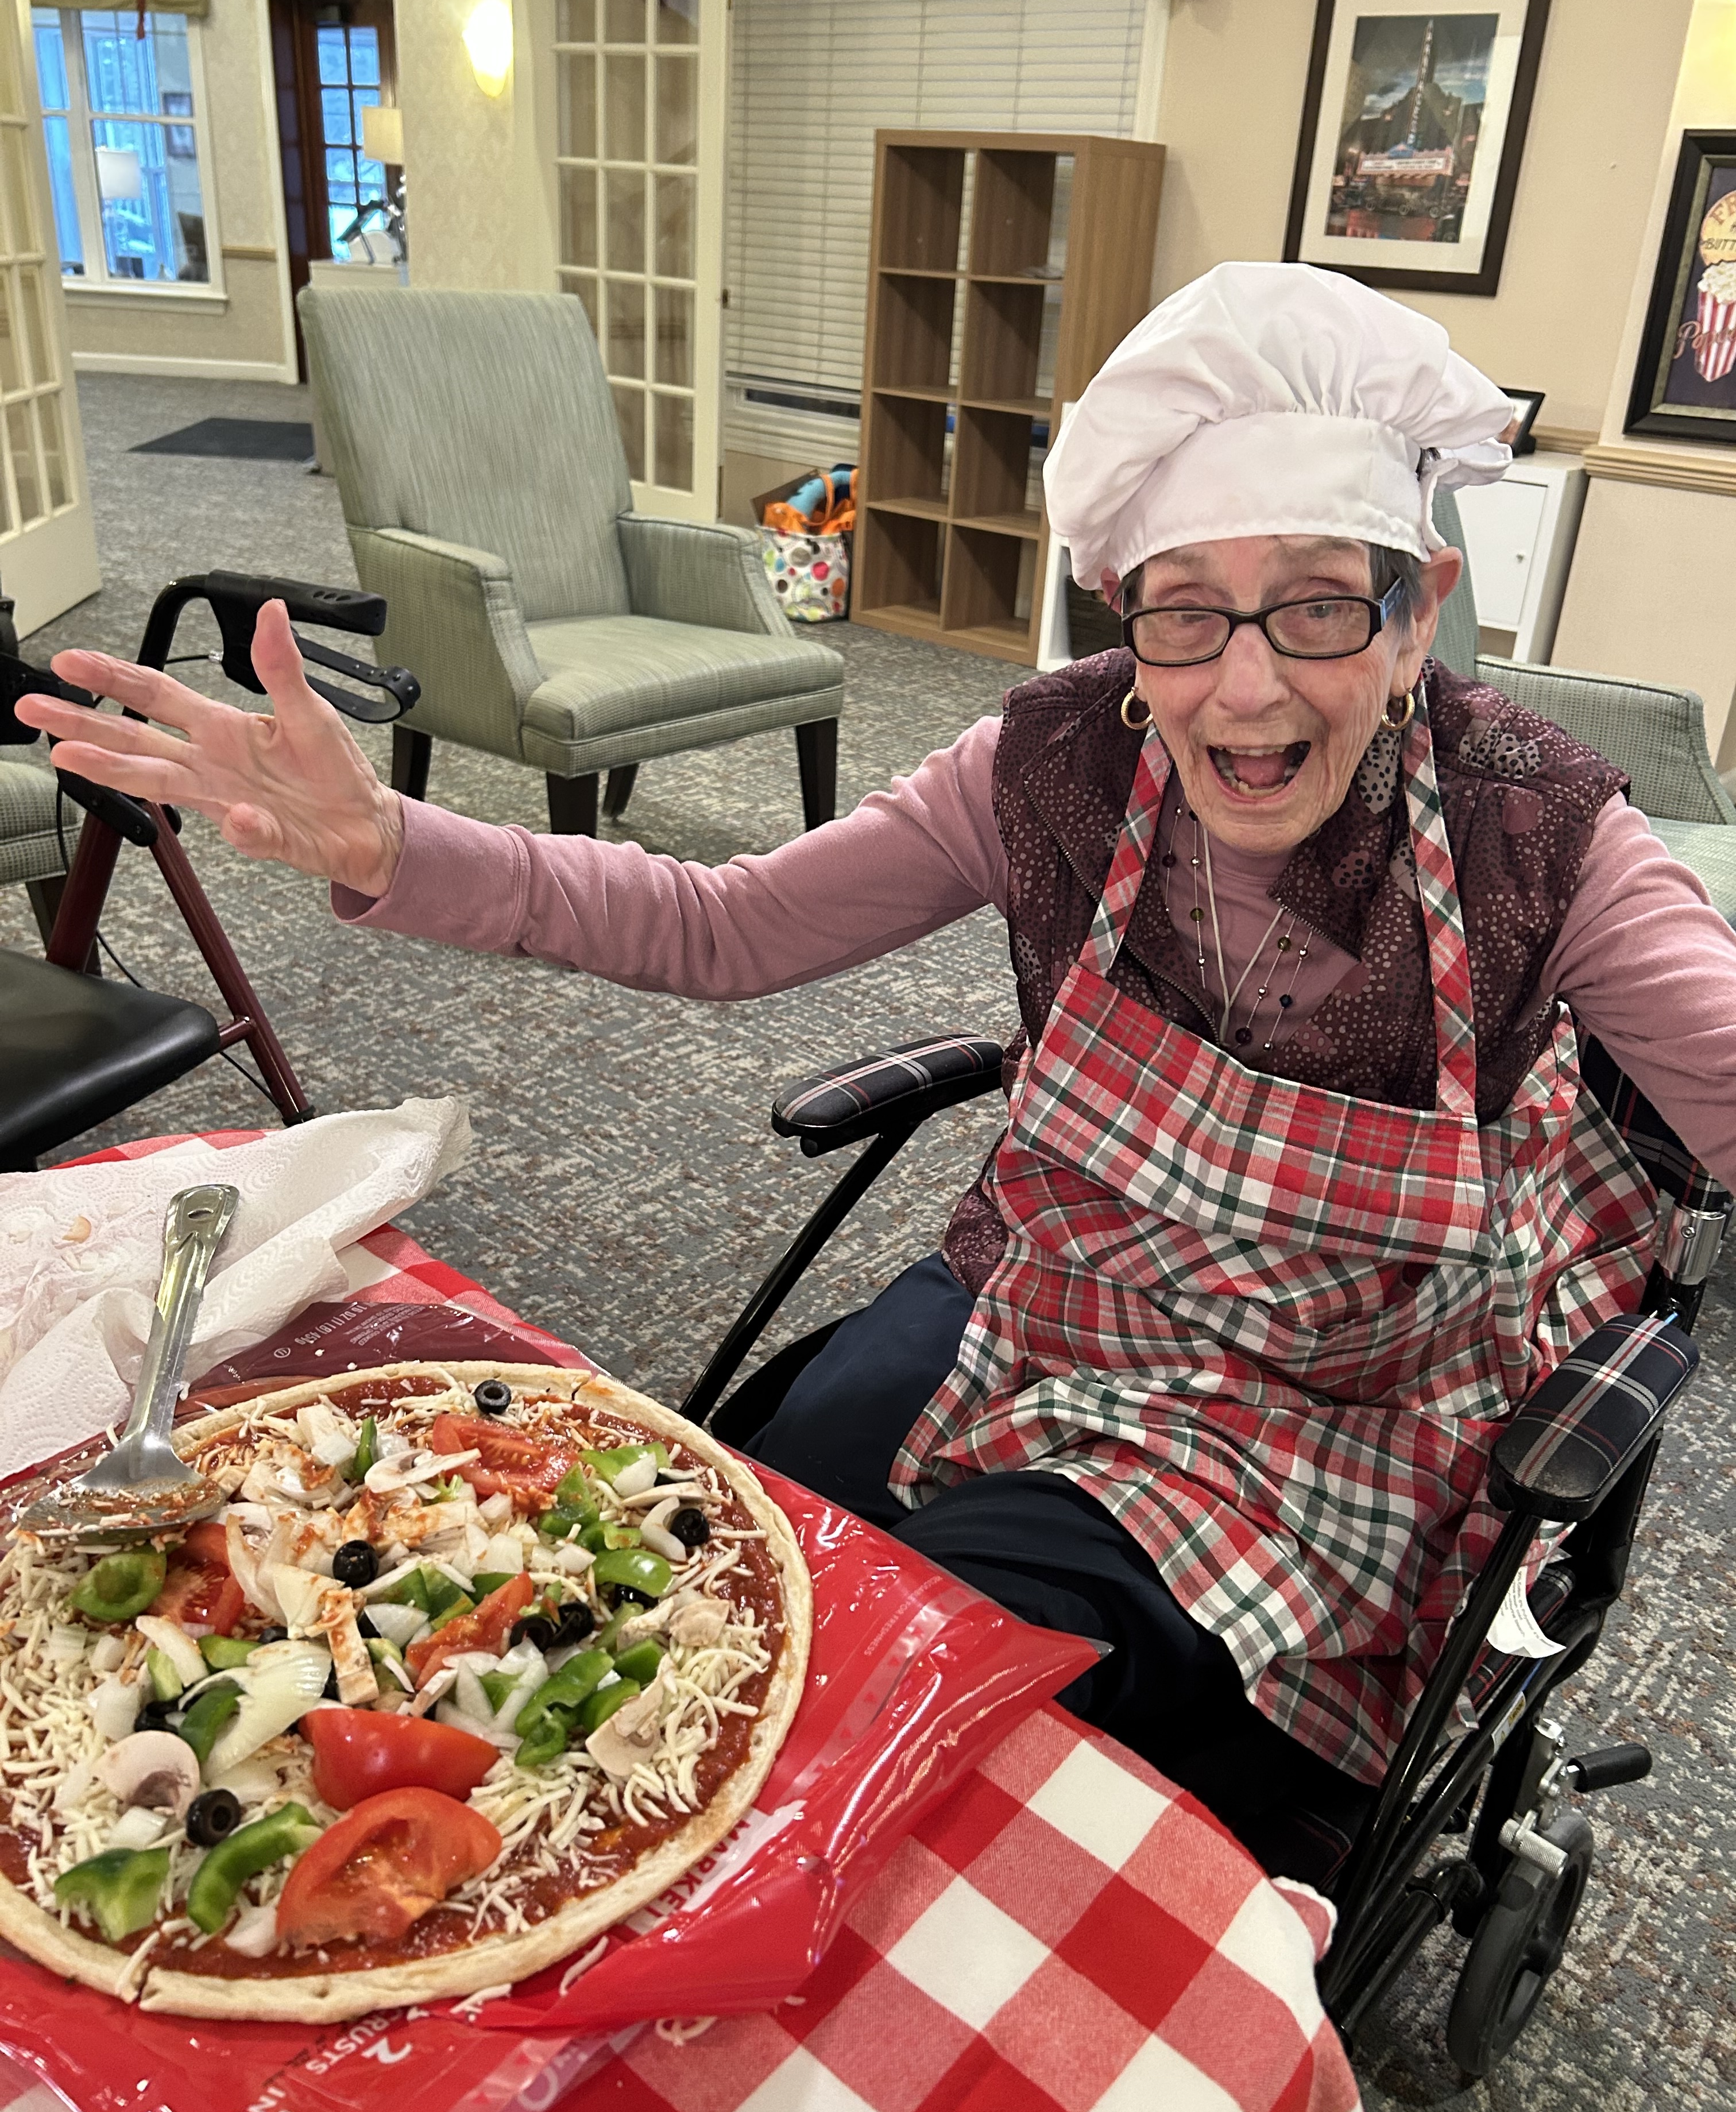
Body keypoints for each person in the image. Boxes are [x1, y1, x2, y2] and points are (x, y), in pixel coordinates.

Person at [29, 264, 1736, 1879]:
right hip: (1059, 1288)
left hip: (1343, 1396)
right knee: (724, 1536)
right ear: (1123, 615)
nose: (1247, 682)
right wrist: (390, 838)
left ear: (1417, 603)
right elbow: (724, 926)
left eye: (1316, 604)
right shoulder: (1050, 764)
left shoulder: (1538, 833)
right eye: (1185, 612)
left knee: (916, 1641)